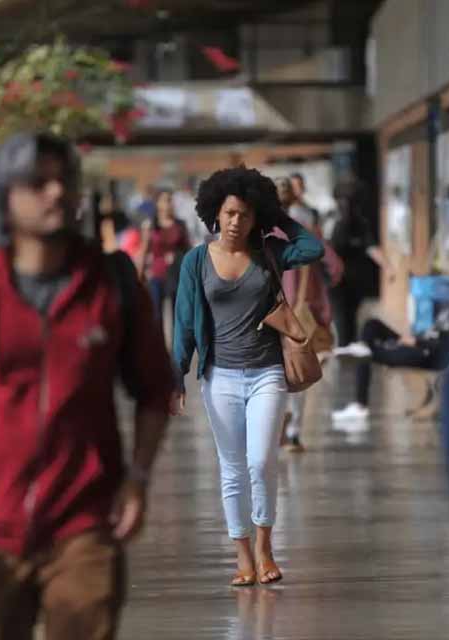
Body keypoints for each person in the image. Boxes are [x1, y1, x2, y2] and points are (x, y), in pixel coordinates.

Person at [0, 132, 175, 640]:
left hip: (85, 522)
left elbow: (155, 389)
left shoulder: (110, 284)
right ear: (3, 196)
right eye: (38, 182)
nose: (57, 192)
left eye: (64, 180)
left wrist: (138, 478)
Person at [171, 166, 323, 586]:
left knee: (261, 460)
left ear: (257, 217)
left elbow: (311, 248)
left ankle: (264, 546)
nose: (237, 221)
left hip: (267, 373)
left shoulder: (268, 252)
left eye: (246, 214)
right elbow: (183, 322)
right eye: (230, 213)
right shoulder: (196, 261)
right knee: (232, 468)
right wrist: (176, 375)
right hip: (219, 377)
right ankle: (242, 554)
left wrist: (278, 217)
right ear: (215, 214)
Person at [332, 265, 449, 424]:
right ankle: (362, 347)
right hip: (423, 345)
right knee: (371, 325)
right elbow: (442, 333)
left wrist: (417, 342)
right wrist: (413, 338)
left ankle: (360, 404)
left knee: (365, 354)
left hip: (429, 355)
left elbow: (448, 345)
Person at [276, 178, 343, 452]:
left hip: (269, 310)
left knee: (273, 372)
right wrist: (317, 292)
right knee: (297, 370)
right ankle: (292, 431)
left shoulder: (260, 231)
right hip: (300, 311)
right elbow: (335, 265)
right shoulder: (306, 228)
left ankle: (278, 426)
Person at [327, 180, 394, 350]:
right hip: (336, 282)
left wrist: (387, 266)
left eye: (351, 202)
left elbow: (371, 247)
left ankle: (348, 350)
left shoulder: (360, 224)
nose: (348, 207)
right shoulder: (331, 222)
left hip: (354, 281)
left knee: (352, 319)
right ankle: (344, 350)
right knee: (342, 321)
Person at [137, 189, 191, 337]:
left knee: (177, 315)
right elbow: (144, 250)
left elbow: (188, 250)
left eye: (170, 200)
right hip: (157, 275)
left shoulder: (180, 225)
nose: (168, 204)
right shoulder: (151, 225)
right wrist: (139, 275)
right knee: (156, 315)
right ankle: (158, 347)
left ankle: (176, 349)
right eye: (165, 200)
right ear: (158, 204)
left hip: (176, 275)